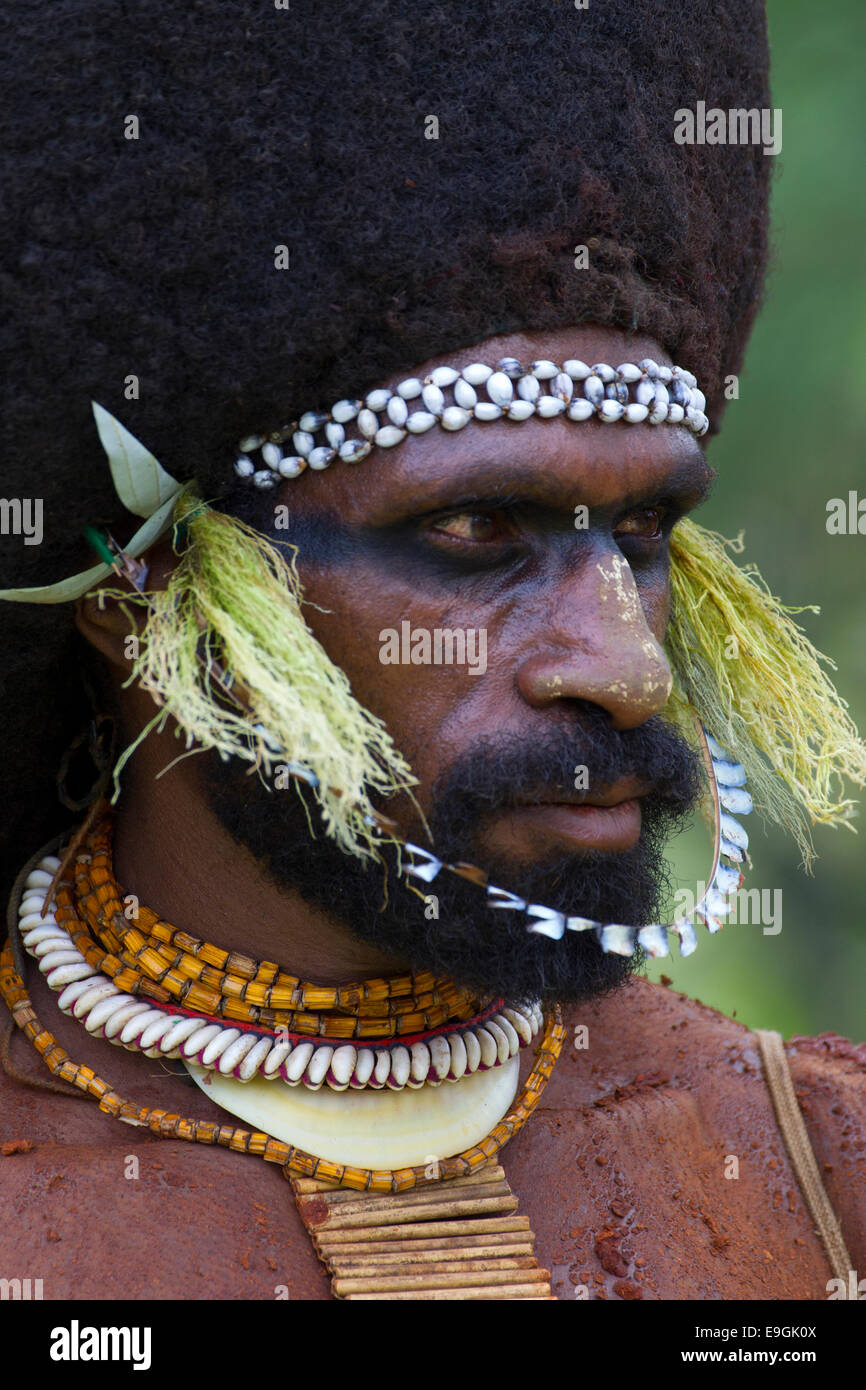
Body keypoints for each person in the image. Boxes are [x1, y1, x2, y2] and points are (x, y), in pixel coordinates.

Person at [1, 0, 864, 1302]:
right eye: (476, 529)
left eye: (638, 533)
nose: (623, 667)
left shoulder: (820, 1174)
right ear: (146, 591)